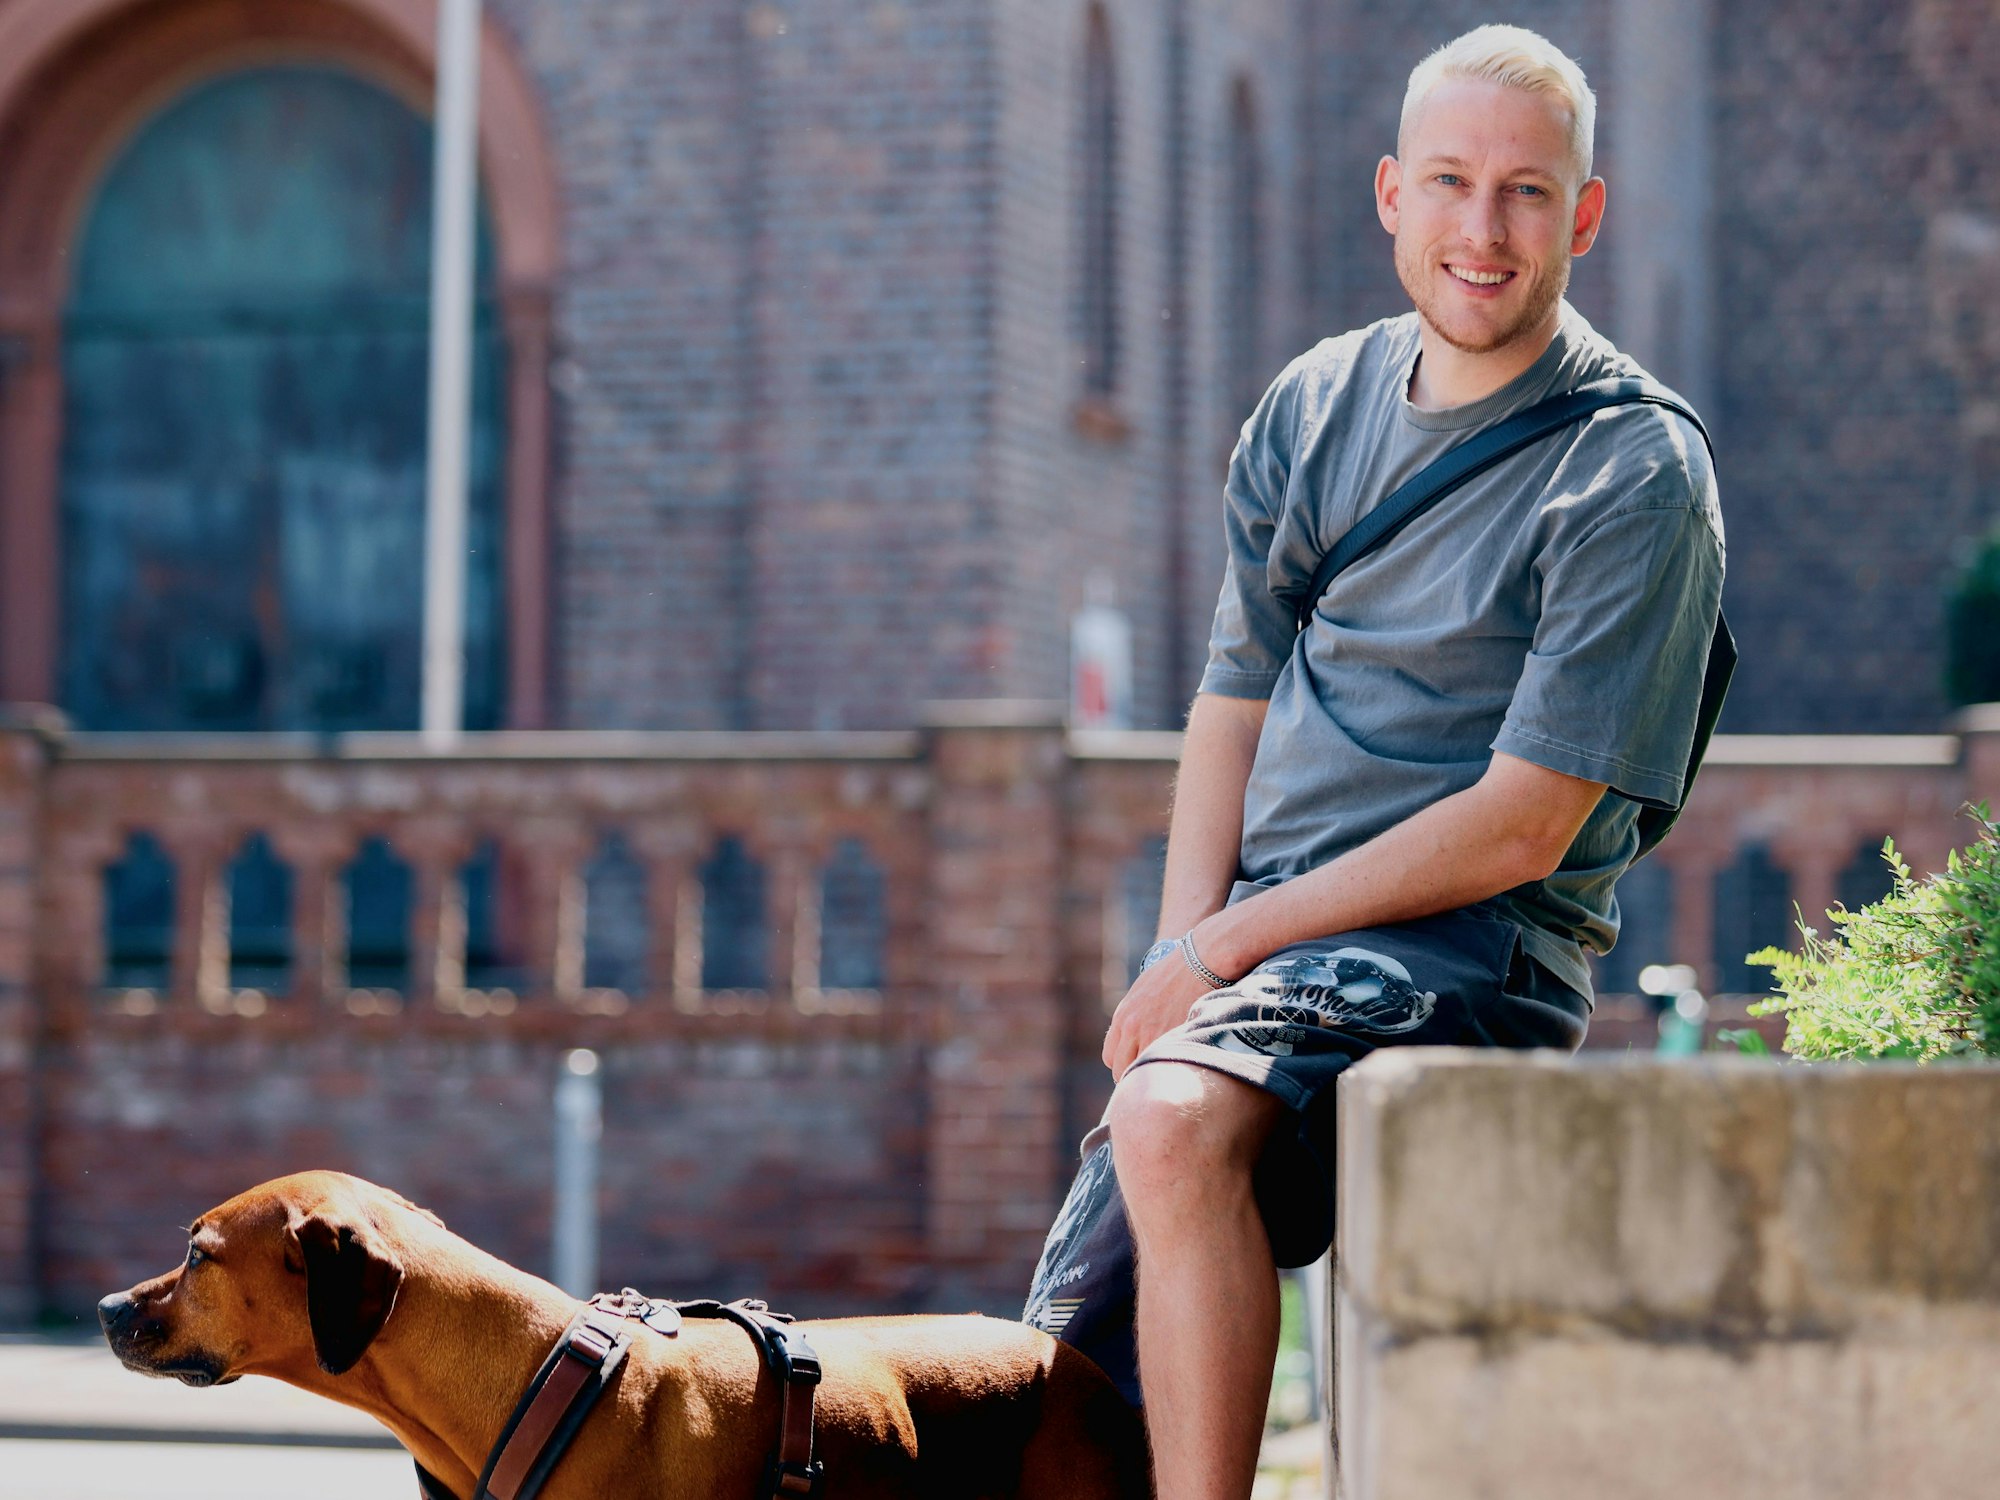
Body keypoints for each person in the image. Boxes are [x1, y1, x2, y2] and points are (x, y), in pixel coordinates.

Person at [1022, 23, 1726, 1500]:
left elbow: (1525, 826)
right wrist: (1178, 960)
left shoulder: (1633, 468)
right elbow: (1233, 699)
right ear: (1392, 195)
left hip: (1471, 954)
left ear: (1584, 216)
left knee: (1164, 1116)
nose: (1485, 231)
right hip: (1273, 960)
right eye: (1454, 184)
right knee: (1048, 1372)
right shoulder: (1314, 404)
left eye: (1528, 194)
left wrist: (1220, 946)